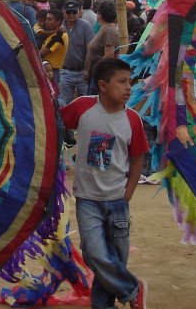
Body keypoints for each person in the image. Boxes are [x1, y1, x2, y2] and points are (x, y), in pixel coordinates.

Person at [60, 58, 149, 309]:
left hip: (118, 199)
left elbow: (137, 157)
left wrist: (128, 193)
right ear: (102, 85)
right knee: (97, 254)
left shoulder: (132, 120)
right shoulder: (82, 107)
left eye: (129, 82)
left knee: (115, 257)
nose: (129, 87)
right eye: (121, 82)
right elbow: (55, 123)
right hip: (87, 198)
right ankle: (132, 289)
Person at [59, 1, 93, 107]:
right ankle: (66, 123)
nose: (71, 15)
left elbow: (90, 49)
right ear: (63, 12)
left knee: (87, 102)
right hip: (64, 71)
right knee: (64, 103)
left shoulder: (85, 26)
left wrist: (87, 69)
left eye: (74, 12)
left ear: (79, 12)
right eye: (68, 12)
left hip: (82, 71)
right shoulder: (58, 26)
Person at [84, 0, 120, 95]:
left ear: (99, 15)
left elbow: (109, 55)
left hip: (100, 75)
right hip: (98, 75)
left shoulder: (109, 31)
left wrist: (95, 69)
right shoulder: (105, 29)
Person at [35, 9, 68, 93]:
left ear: (58, 22)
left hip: (52, 73)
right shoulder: (52, 34)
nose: (46, 22)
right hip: (47, 70)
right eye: (46, 19)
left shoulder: (59, 36)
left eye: (49, 19)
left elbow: (41, 53)